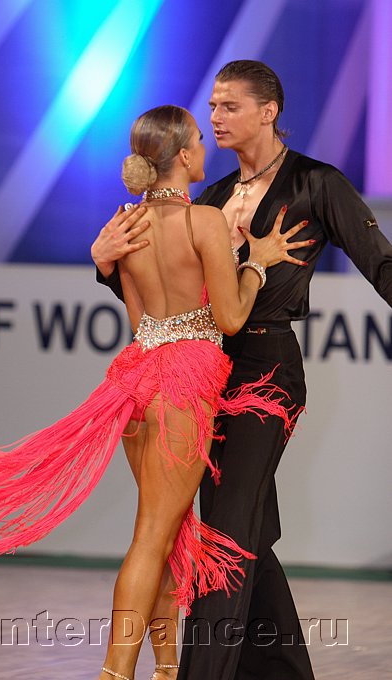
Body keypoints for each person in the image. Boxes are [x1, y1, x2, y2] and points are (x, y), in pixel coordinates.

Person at [0, 105, 312, 680]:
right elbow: (232, 318)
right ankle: (114, 673)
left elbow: (142, 324)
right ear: (183, 155)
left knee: (168, 534)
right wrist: (257, 264)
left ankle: (166, 669)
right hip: (184, 383)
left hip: (138, 380)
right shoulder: (204, 222)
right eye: (199, 138)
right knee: (153, 537)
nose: (205, 146)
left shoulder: (127, 224)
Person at [91, 62, 392, 680]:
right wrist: (104, 267)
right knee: (244, 529)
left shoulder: (316, 183)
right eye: (211, 108)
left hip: (266, 372)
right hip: (203, 375)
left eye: (228, 106)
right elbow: (168, 298)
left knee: (225, 532)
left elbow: (380, 263)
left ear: (268, 110)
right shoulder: (210, 197)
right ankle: (284, 671)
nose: (215, 118)